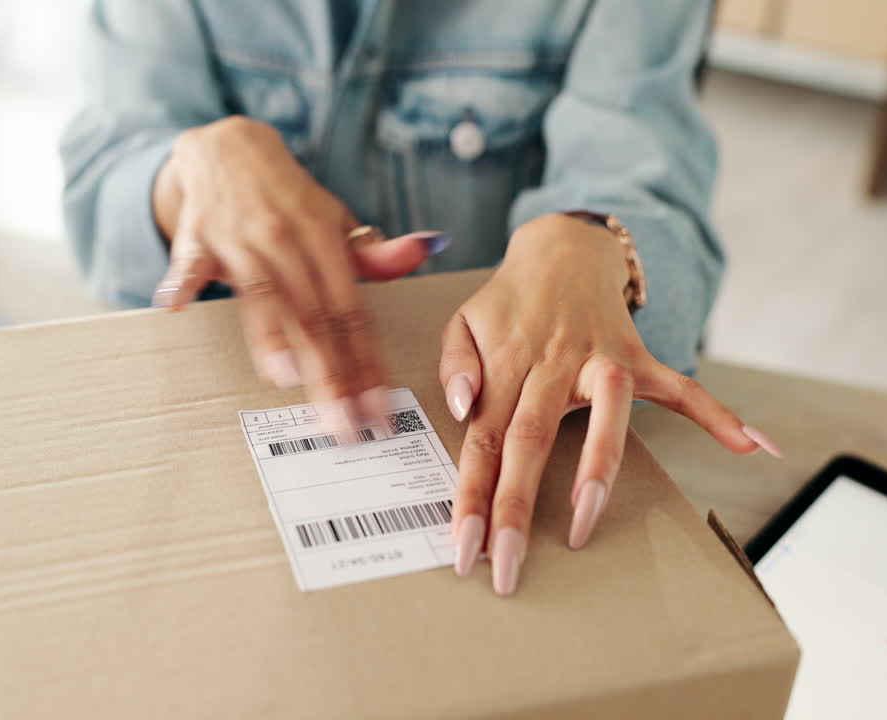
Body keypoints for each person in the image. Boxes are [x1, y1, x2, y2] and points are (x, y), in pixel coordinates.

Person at [61, 0, 783, 597]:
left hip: (513, 421)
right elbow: (102, 189)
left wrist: (595, 242)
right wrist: (188, 175)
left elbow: (654, 196)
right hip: (222, 443)